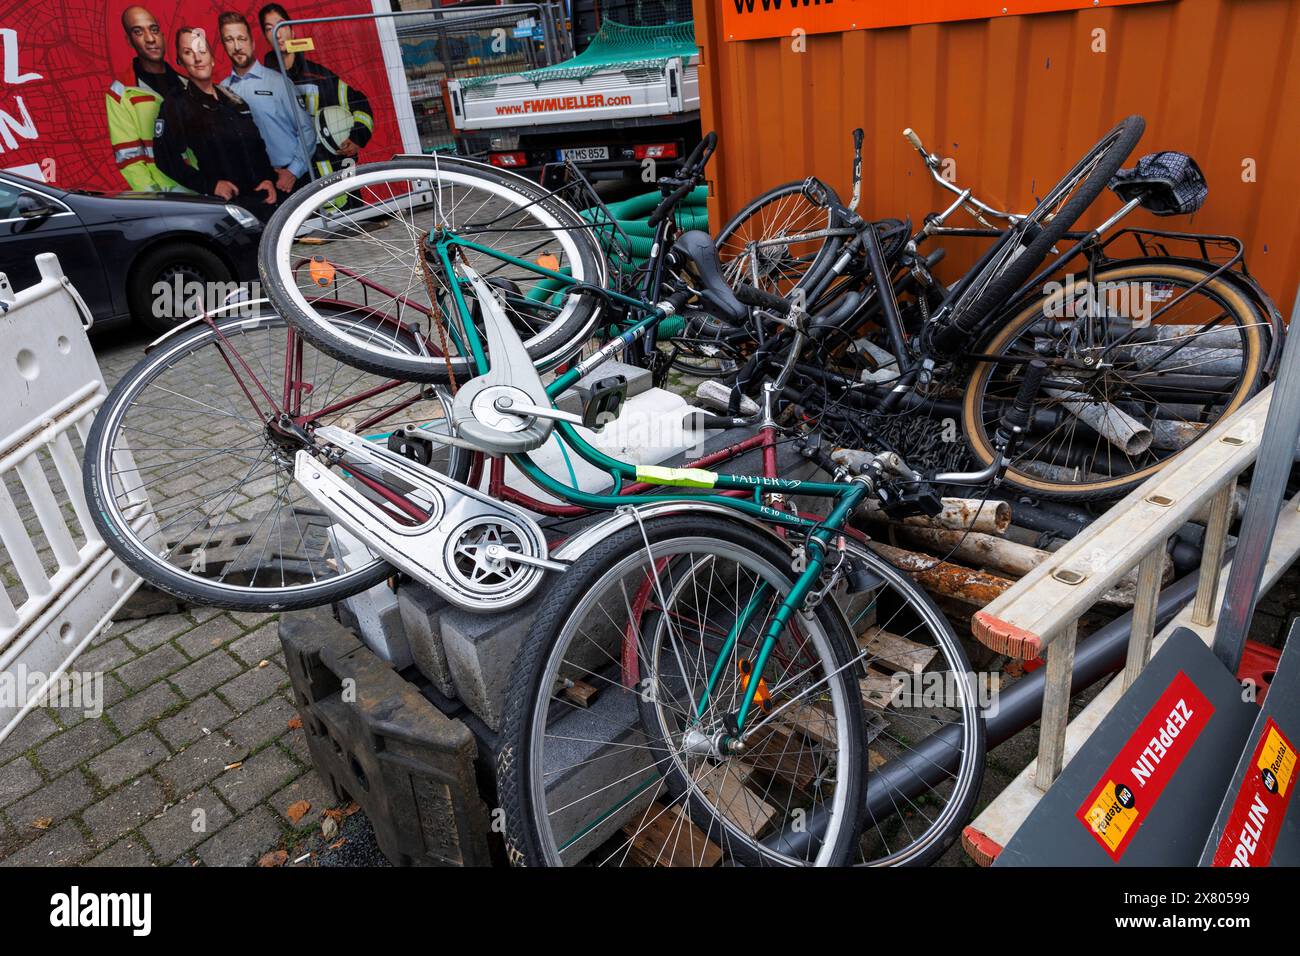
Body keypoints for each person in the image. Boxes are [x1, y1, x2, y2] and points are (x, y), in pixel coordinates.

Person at [154, 27, 279, 221]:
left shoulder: (232, 98)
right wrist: (210, 186)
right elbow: (165, 159)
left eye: (202, 50)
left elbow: (257, 144)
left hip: (264, 201)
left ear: (212, 58)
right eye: (188, 52)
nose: (197, 58)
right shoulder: (176, 104)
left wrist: (268, 179)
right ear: (180, 62)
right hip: (228, 208)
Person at [258, 3, 374, 181]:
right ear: (265, 37)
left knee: (353, 209)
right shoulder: (262, 86)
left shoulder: (318, 75)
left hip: (339, 173)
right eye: (269, 29)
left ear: (292, 30)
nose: (278, 34)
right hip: (293, 180)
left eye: (281, 26)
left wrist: (357, 137)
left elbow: (359, 104)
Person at [217, 11, 314, 197]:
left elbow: (307, 130)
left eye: (241, 38)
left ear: (252, 43)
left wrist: (293, 170)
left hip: (288, 180)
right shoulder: (221, 91)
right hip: (252, 184)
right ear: (224, 46)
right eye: (229, 40)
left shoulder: (279, 83)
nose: (237, 46)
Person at [105, 6, 188, 191]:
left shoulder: (187, 84)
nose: (150, 39)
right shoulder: (121, 92)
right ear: (129, 40)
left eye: (154, 29)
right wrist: (155, 201)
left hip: (205, 193)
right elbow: (130, 160)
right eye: (138, 32)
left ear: (162, 34)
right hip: (166, 200)